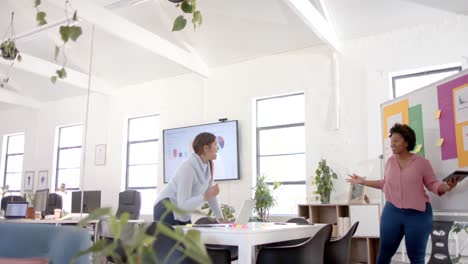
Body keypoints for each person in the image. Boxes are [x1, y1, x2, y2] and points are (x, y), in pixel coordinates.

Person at [347, 123, 460, 264]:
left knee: (416, 257)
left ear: (406, 143)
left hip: (418, 215)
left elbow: (433, 184)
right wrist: (362, 182)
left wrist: (446, 187)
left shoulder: (421, 163)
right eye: (391, 141)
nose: (392, 144)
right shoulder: (389, 162)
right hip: (392, 212)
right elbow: (385, 183)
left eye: (396, 141)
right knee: (383, 254)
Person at [153, 132, 223, 225]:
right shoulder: (188, 168)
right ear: (206, 148)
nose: (217, 147)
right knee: (175, 239)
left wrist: (221, 219)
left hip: (181, 211)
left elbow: (211, 197)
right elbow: (183, 205)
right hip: (166, 207)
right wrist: (206, 196)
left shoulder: (208, 167)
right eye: (215, 144)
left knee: (186, 239)